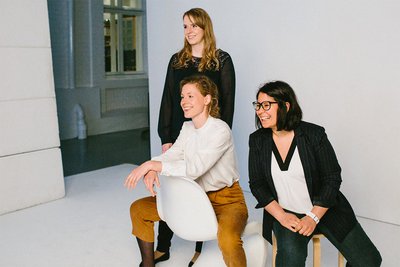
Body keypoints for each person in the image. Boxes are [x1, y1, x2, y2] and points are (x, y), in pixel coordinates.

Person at [248, 81, 382, 267]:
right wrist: (281, 216)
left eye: (266, 105)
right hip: (288, 214)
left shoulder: (314, 135)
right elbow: (257, 184)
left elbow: (332, 178)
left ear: (286, 106)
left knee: (369, 261)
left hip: (325, 209)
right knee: (290, 262)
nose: (260, 111)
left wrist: (313, 217)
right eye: (258, 105)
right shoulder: (257, 141)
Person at [125, 75, 248, 267]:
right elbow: (173, 154)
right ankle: (147, 264)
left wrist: (153, 166)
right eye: (182, 97)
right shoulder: (188, 127)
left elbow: (195, 168)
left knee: (229, 240)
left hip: (227, 201)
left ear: (207, 99)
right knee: (139, 209)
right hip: (194, 196)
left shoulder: (220, 130)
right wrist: (151, 164)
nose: (184, 102)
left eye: (190, 96)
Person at [157, 7, 236, 265]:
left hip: (206, 135)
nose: (189, 31)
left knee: (202, 189)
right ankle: (163, 245)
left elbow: (227, 104)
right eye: (185, 26)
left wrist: (215, 141)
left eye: (194, 26)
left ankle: (200, 247)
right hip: (179, 135)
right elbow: (168, 99)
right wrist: (165, 136)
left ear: (205, 28)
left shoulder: (221, 61)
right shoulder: (176, 60)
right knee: (171, 185)